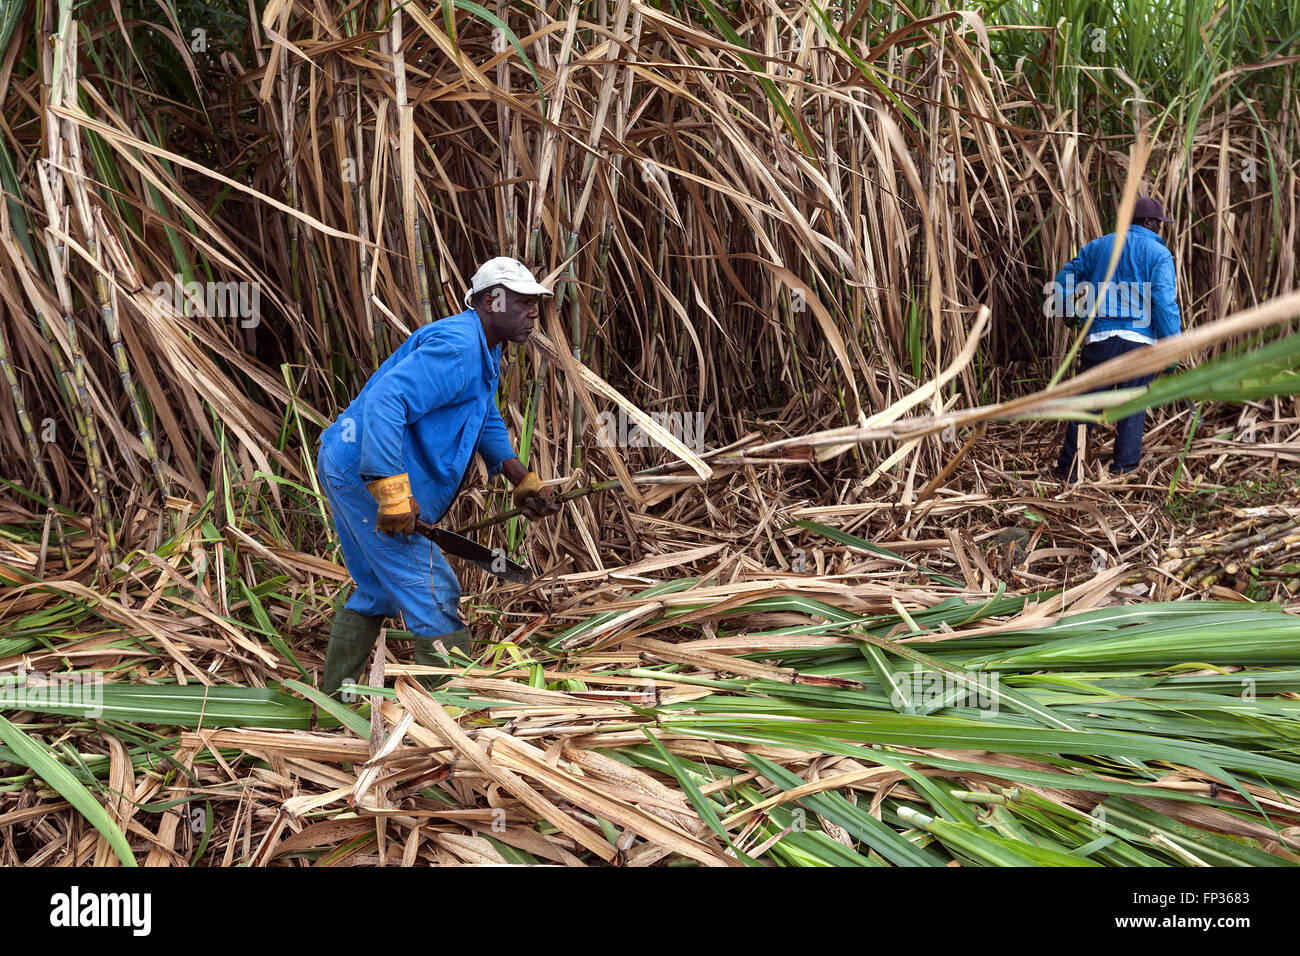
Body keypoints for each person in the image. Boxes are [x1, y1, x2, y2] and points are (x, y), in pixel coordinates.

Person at [316, 257, 562, 696]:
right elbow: (385, 403)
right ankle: (450, 716)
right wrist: (391, 491)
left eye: (535, 303)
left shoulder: (485, 350)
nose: (533, 312)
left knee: (379, 589)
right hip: (360, 472)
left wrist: (521, 478)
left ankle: (338, 703)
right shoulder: (458, 347)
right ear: (492, 300)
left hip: (344, 461)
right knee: (434, 591)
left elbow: (482, 416)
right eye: (524, 302)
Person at [1048, 197, 1182, 479]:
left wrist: (1071, 313)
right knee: (1133, 409)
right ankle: (1123, 472)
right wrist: (1172, 350)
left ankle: (1068, 471)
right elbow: (1164, 303)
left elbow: (1062, 280)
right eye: (1159, 223)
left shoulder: (1099, 246)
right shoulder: (1159, 254)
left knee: (1088, 406)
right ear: (1147, 222)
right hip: (1140, 344)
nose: (1161, 228)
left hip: (1101, 338)